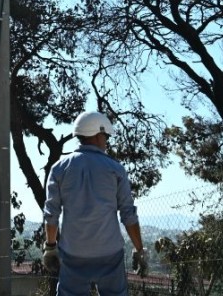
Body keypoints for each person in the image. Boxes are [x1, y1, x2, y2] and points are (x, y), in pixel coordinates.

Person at [42, 110, 148, 296]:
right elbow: (128, 215)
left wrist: (50, 247)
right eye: (105, 136)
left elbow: (51, 214)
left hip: (73, 252)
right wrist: (140, 250)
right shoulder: (116, 169)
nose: (106, 141)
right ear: (98, 135)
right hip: (109, 253)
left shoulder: (59, 168)